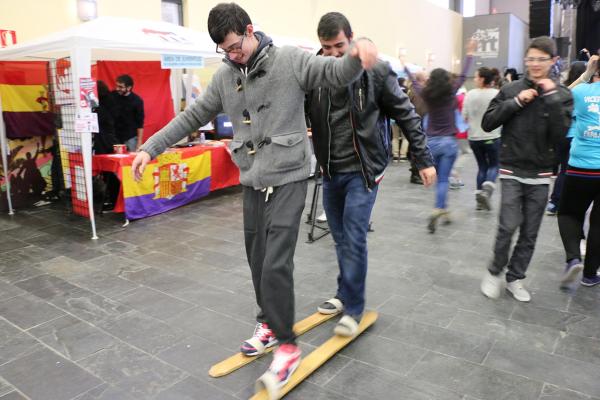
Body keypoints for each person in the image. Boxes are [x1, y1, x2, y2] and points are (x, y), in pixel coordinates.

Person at [131, 2, 378, 391]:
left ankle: (287, 349)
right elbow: (191, 117)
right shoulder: (225, 77)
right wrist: (151, 147)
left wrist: (358, 56)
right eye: (224, 51)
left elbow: (332, 72)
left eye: (234, 46)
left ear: (249, 30)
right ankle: (267, 321)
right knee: (257, 260)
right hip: (252, 180)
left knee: (276, 263)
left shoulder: (290, 61)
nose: (232, 55)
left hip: (289, 176)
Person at [306, 12, 435, 336]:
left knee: (353, 237)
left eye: (339, 46)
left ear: (350, 39)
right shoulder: (316, 70)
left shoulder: (374, 70)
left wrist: (423, 158)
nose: (334, 54)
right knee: (339, 238)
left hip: (364, 170)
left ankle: (354, 307)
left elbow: (407, 114)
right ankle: (343, 293)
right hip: (331, 170)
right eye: (327, 47)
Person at [479, 36, 573, 302]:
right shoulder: (511, 89)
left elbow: (561, 134)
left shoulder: (562, 94)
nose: (534, 64)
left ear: (553, 61)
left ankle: (515, 278)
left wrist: (552, 96)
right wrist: (517, 102)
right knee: (507, 227)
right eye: (530, 58)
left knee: (530, 233)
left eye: (541, 59)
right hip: (511, 170)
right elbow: (488, 122)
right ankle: (494, 272)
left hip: (542, 174)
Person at [404, 39, 476, 233]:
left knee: (439, 179)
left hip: (431, 143)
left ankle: (441, 208)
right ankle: (439, 208)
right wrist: (470, 54)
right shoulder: (452, 91)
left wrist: (404, 63)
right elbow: (462, 75)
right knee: (444, 179)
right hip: (450, 143)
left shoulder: (426, 93)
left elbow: (414, 82)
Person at [558, 55, 600, 288]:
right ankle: (590, 274)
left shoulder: (583, 92)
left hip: (581, 167)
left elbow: (559, 96)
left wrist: (585, 75)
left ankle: (573, 257)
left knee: (568, 214)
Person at [546, 61, 587, 215]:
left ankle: (554, 202)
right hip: (576, 136)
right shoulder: (584, 91)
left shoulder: (564, 88)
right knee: (571, 171)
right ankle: (563, 203)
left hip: (562, 135)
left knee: (563, 171)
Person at [462, 66, 501, 211]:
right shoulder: (496, 94)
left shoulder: (469, 94)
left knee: (482, 167)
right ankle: (486, 191)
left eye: (477, 77)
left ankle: (479, 201)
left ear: (483, 79)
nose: (475, 79)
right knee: (494, 165)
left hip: (474, 137)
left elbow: (464, 117)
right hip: (492, 136)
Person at [111, 74, 144, 152]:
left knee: (130, 161)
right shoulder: (112, 96)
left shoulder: (137, 101)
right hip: (115, 137)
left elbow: (140, 123)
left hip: (130, 137)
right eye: (117, 86)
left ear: (129, 88)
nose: (117, 88)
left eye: (121, 87)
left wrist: (139, 142)